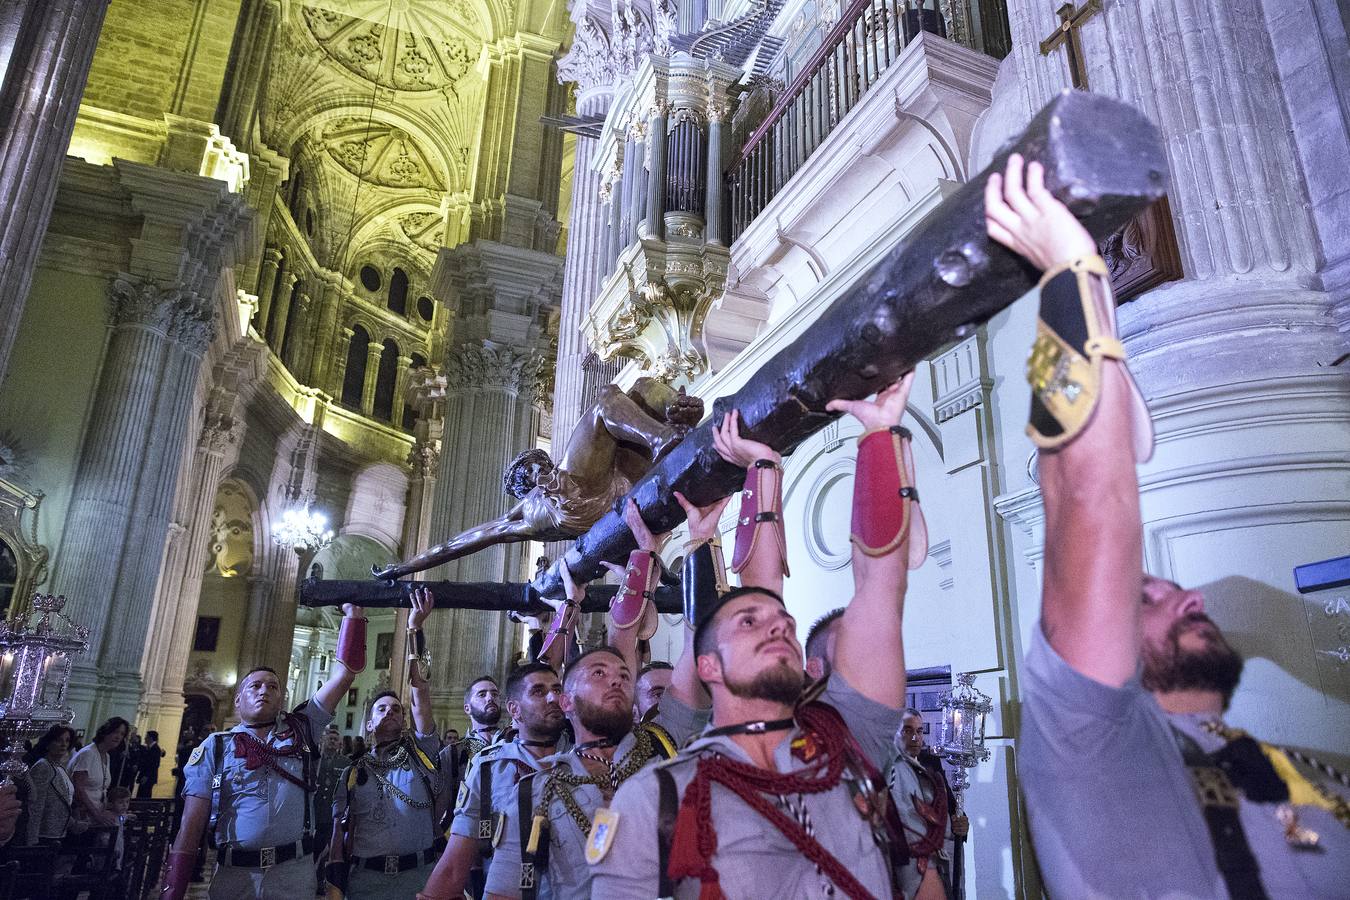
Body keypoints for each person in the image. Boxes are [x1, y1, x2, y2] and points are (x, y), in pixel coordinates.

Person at [985, 152, 1350, 898]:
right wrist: (1069, 278)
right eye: (1148, 596)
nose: (1191, 598)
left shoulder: (1295, 760)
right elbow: (1084, 495)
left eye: (1162, 593)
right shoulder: (1093, 746)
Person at [590, 378, 927, 897]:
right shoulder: (656, 799)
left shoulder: (851, 741)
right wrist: (758, 474)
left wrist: (880, 433)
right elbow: (760, 589)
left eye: (786, 626)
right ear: (709, 668)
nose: (780, 625)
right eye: (750, 624)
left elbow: (882, 586)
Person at [463, 496, 719, 900]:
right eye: (598, 674)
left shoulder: (662, 742)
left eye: (622, 675)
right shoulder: (534, 791)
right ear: (564, 700)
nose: (616, 680)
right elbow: (503, 894)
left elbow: (699, 643)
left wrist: (702, 541)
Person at [374, 379, 702, 581]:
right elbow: (462, 541)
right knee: (606, 399)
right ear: (524, 485)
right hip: (576, 499)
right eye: (528, 471)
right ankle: (664, 433)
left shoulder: (546, 486)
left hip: (617, 486)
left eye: (534, 463)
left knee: (642, 389)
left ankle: (677, 410)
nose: (535, 470)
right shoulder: (527, 509)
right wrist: (406, 567)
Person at [160, 602, 367, 900]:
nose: (264, 691)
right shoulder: (216, 747)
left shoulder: (302, 729)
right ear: (237, 700)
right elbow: (191, 827)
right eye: (255, 686)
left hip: (293, 875)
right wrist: (173, 891)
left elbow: (344, 676)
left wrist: (353, 616)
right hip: (235, 876)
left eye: (272, 686)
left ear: (281, 698)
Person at [326, 587, 440, 897]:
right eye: (381, 709)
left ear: (405, 721)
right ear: (370, 723)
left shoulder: (422, 755)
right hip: (366, 882)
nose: (390, 712)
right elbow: (338, 836)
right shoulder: (350, 774)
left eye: (396, 710)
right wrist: (335, 888)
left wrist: (415, 627)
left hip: (418, 877)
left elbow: (420, 693)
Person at [420, 662, 569, 899]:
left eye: (557, 689)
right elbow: (454, 866)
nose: (553, 697)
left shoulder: (582, 765)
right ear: (514, 709)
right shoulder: (489, 767)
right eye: (539, 691)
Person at [889, 708, 962, 899]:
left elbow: (951, 809)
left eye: (919, 731)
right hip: (903, 861)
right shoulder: (887, 766)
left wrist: (960, 825)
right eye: (907, 730)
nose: (915, 738)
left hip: (936, 860)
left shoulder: (931, 764)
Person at [22, 724, 81, 846]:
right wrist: (32, 840)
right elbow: (36, 806)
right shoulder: (43, 766)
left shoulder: (59, 767)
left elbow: (63, 803)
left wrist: (73, 823)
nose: (64, 744)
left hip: (58, 832)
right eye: (58, 740)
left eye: (67, 740)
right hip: (44, 834)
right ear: (48, 743)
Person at [69, 716, 129, 830]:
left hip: (96, 814)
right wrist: (97, 814)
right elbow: (79, 788)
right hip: (82, 815)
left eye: (122, 734)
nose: (118, 737)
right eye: (116, 732)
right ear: (106, 731)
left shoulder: (106, 755)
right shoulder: (88, 753)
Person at [313, 727, 345, 894]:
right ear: (324, 741)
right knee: (313, 850)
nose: (332, 741)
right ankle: (309, 879)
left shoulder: (345, 764)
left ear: (340, 743)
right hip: (315, 813)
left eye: (335, 739)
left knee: (328, 852)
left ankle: (320, 880)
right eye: (329, 738)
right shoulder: (315, 761)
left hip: (333, 815)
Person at [136, 729, 167, 798]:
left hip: (148, 777)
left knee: (144, 794)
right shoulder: (149, 748)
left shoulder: (155, 749)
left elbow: (154, 764)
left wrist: (146, 776)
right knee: (142, 793)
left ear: (151, 738)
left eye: (146, 737)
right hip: (146, 775)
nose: (145, 738)